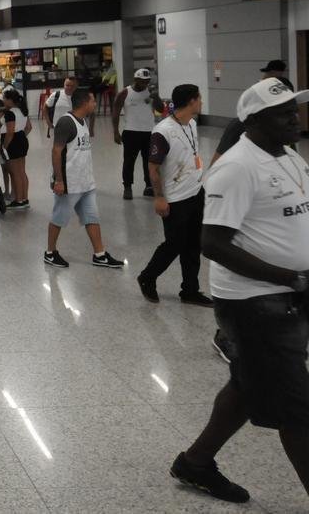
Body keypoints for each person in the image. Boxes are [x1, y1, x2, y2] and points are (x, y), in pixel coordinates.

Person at [169, 79, 309, 504]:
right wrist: (290, 278)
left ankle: (195, 463)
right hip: (255, 302)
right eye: (283, 113)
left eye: (294, 109)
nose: (295, 118)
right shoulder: (236, 167)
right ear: (254, 121)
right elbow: (212, 243)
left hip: (288, 291)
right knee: (298, 407)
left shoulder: (287, 155)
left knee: (249, 384)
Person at [136, 84, 212, 306]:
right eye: (199, 98)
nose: (201, 102)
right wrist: (159, 197)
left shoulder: (192, 124)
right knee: (175, 244)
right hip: (175, 199)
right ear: (191, 101)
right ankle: (147, 277)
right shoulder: (163, 131)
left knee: (193, 244)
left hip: (196, 192)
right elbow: (153, 167)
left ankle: (190, 290)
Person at [44, 88, 125, 269]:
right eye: (93, 101)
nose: (95, 104)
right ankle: (50, 252)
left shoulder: (83, 121)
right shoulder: (66, 122)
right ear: (83, 103)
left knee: (92, 217)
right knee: (59, 218)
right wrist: (58, 180)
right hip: (68, 183)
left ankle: (100, 254)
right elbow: (56, 152)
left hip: (85, 182)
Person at [211, 60, 295, 165]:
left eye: (293, 110)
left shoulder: (287, 136)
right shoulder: (240, 125)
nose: (294, 119)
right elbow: (216, 164)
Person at [112, 68, 164, 199]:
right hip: (131, 132)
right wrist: (115, 132)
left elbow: (161, 109)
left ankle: (149, 186)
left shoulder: (151, 92)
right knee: (129, 161)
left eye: (147, 81)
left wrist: (156, 96)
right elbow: (116, 112)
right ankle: (127, 187)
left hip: (149, 132)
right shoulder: (125, 93)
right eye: (142, 81)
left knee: (149, 161)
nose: (145, 84)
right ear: (135, 80)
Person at [0, 89, 32, 209]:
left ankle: (18, 200)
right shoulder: (22, 111)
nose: (3, 100)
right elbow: (29, 127)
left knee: (15, 172)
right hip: (22, 140)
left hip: (12, 143)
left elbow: (10, 132)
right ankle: (24, 198)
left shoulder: (10, 113)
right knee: (22, 171)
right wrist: (21, 137)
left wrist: (4, 147)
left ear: (9, 100)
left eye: (4, 98)